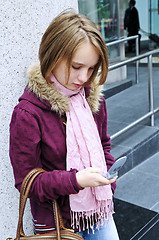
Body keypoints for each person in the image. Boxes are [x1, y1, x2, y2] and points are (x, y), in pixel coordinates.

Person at [9, 10, 119, 239]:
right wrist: (76, 180)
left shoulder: (92, 100)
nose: (83, 78)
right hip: (55, 224)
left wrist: (107, 180)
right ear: (53, 55)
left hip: (99, 213)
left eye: (91, 69)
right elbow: (26, 183)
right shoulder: (28, 113)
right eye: (77, 67)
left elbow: (103, 144)